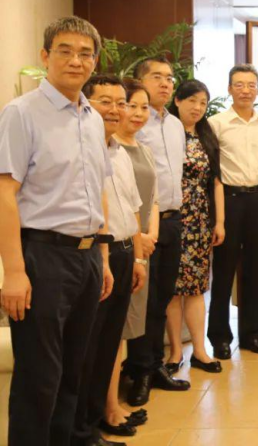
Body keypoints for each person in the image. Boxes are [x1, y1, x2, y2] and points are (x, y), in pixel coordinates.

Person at [0, 16, 114, 446]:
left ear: (94, 61)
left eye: (85, 54)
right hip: (42, 256)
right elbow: (4, 193)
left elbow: (98, 189)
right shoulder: (21, 113)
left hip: (86, 257)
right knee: (39, 377)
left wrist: (101, 257)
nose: (75, 61)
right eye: (65, 51)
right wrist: (14, 272)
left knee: (71, 373)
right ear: (45, 56)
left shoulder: (92, 117)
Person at [73, 75, 147, 446]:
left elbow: (133, 209)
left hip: (123, 253)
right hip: (95, 255)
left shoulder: (121, 153)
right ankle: (81, 431)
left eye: (121, 102)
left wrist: (138, 259)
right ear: (86, 105)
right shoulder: (80, 150)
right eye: (106, 101)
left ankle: (98, 419)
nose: (116, 110)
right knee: (88, 347)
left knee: (109, 345)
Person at [125, 55, 190, 407]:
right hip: (143, 227)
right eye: (157, 77)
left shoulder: (176, 124)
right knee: (143, 301)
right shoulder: (132, 120)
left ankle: (154, 365)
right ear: (139, 82)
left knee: (162, 298)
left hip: (173, 220)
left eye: (169, 78)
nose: (165, 83)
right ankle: (139, 371)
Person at [208, 64, 258, 359]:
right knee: (224, 271)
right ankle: (220, 337)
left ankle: (251, 334)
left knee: (254, 270)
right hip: (230, 200)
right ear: (229, 89)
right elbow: (212, 172)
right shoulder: (216, 124)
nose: (245, 90)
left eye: (251, 85)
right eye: (239, 84)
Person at [107, 78, 158, 432]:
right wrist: (139, 238)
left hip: (139, 246)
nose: (137, 113)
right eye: (130, 105)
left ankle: (110, 403)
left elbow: (150, 198)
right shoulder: (107, 148)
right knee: (112, 330)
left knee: (124, 328)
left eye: (143, 107)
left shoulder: (142, 149)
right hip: (118, 244)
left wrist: (149, 236)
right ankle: (108, 406)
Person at [166, 80, 225, 373]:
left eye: (203, 102)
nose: (197, 107)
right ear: (177, 100)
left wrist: (220, 222)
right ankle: (175, 352)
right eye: (192, 100)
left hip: (200, 221)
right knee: (173, 288)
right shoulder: (166, 132)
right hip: (171, 219)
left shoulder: (206, 136)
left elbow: (216, 182)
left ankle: (200, 351)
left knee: (196, 287)